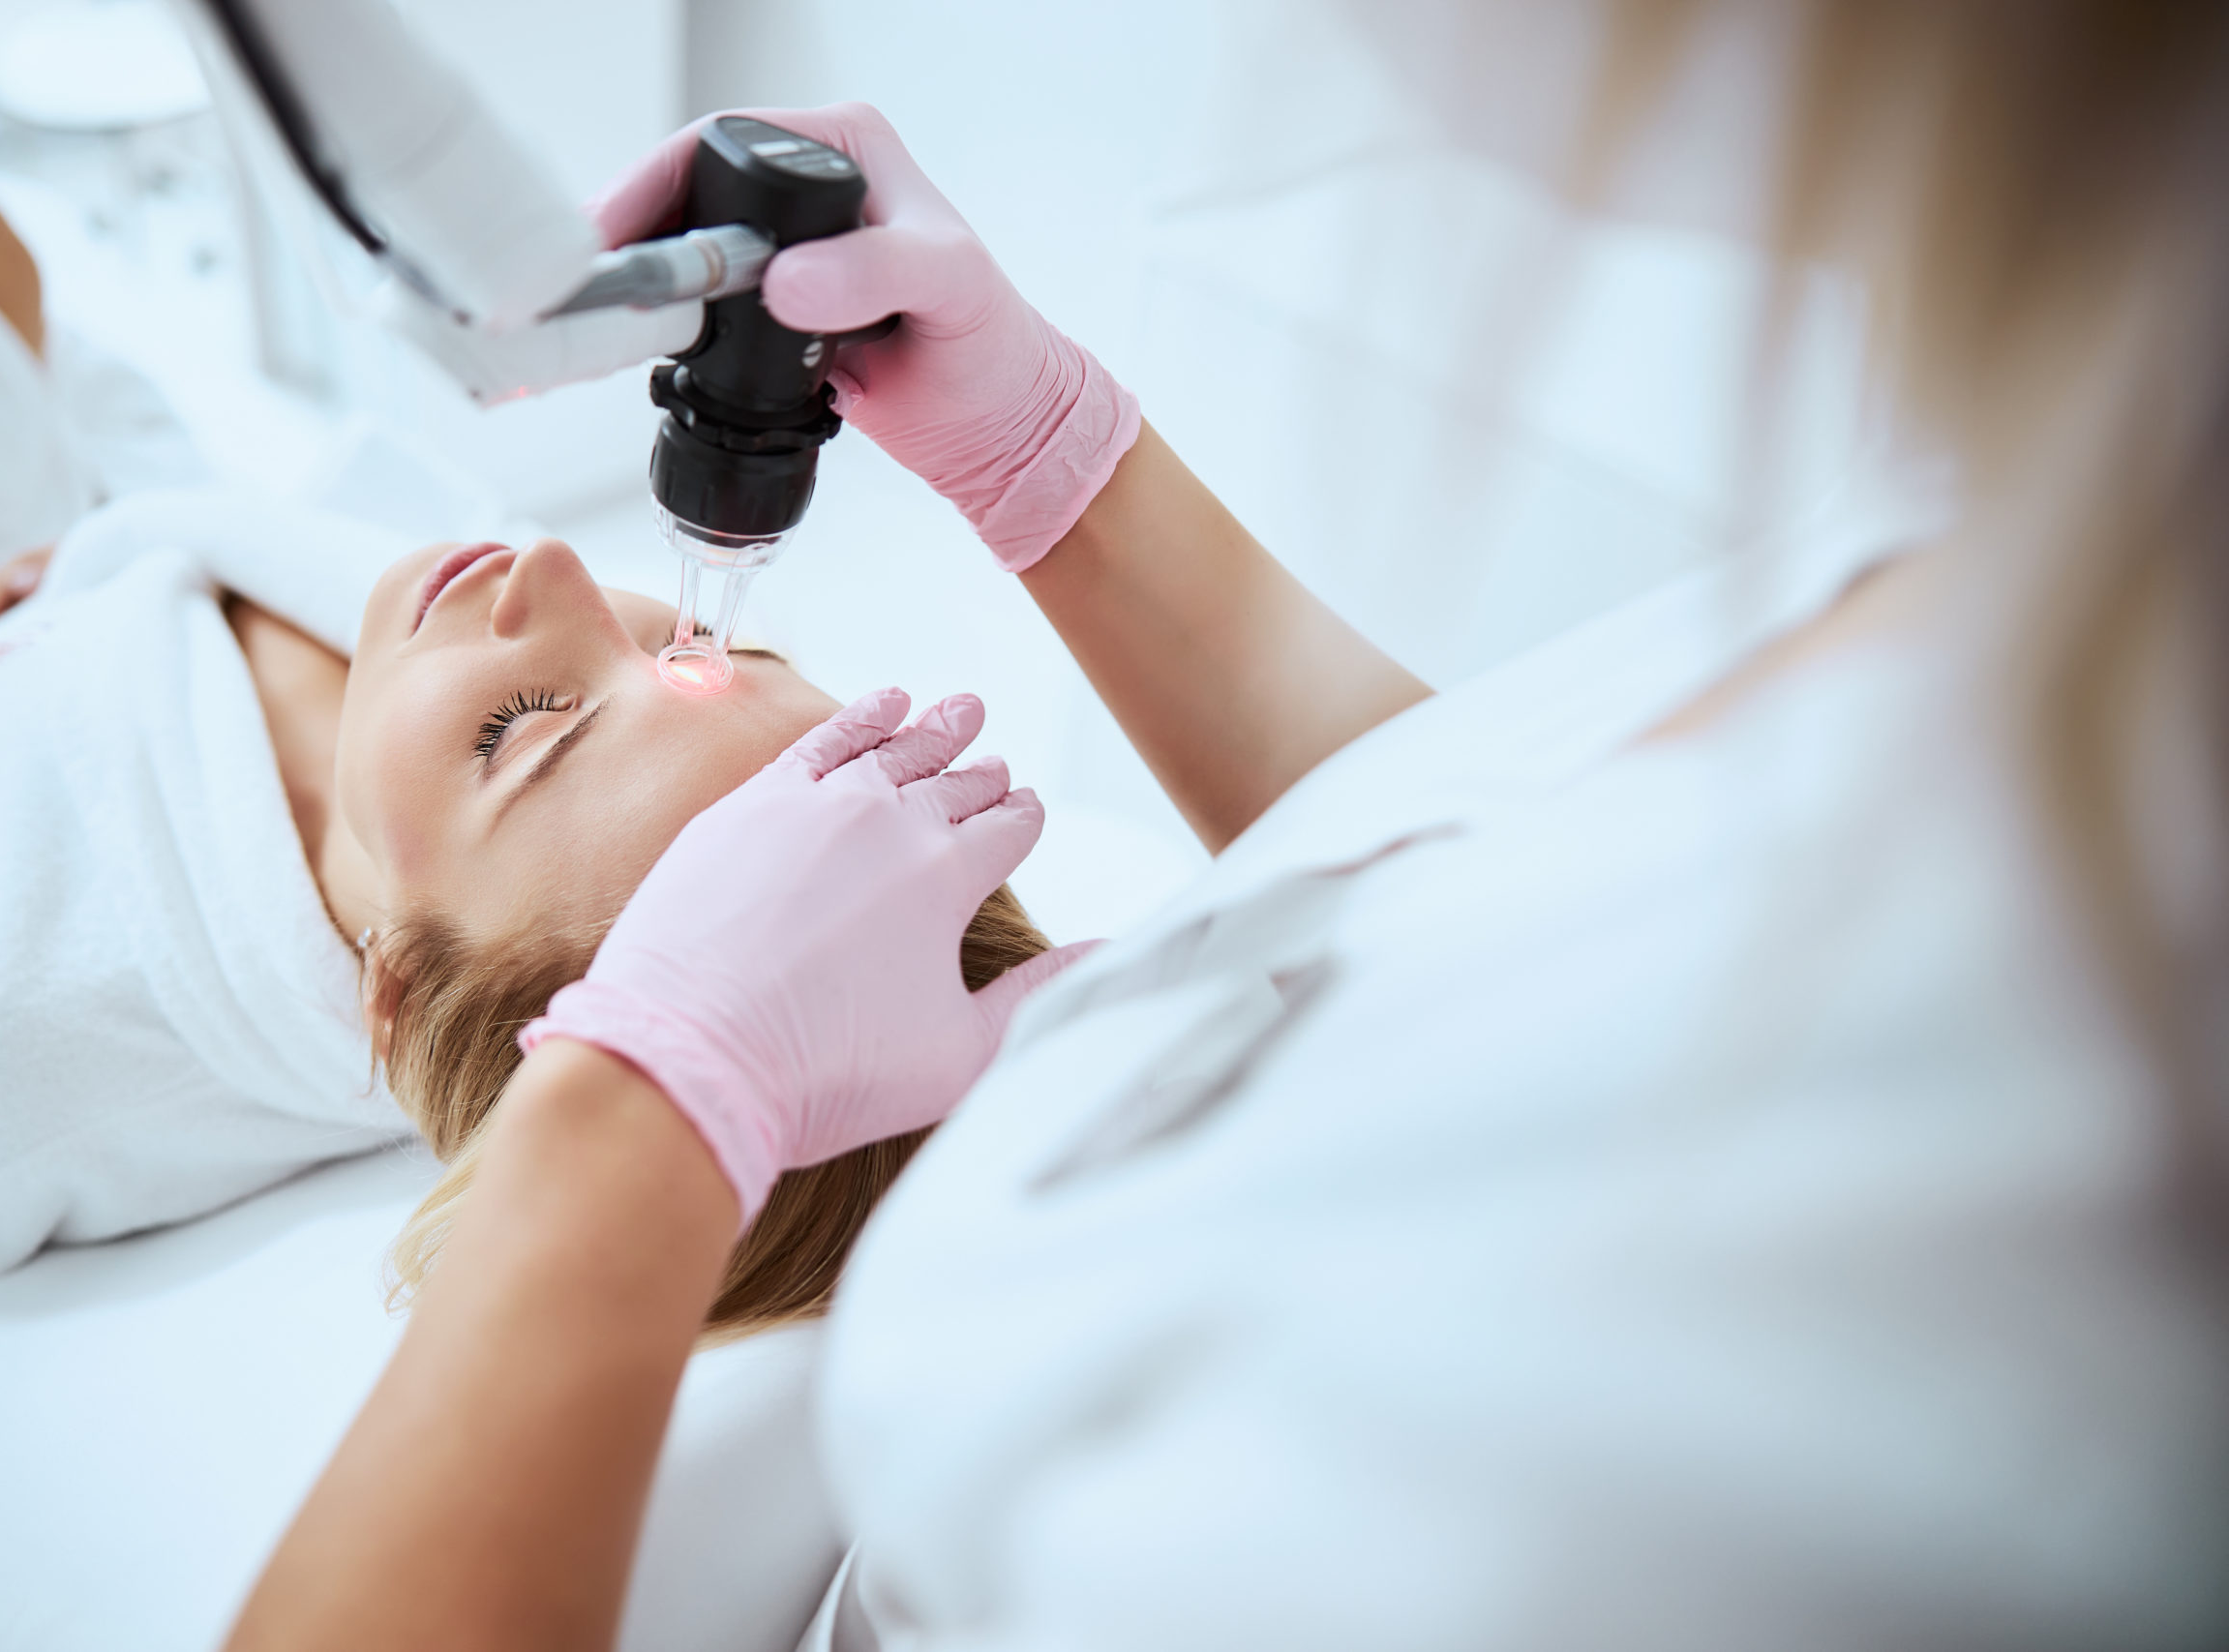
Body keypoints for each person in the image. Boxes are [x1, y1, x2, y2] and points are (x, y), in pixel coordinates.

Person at [231, 4, 2229, 1648]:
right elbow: (1516, 891)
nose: (569, 586)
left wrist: (644, 1096)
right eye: (533, 724)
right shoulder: (2065, 530)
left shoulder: (1477, 1475)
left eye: (638, 661)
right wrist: (1054, 466)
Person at [0, 192, 1066, 1335]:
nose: (548, 570)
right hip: (75, 555)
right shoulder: (520, 807)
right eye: (718, 655)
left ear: (390, 991)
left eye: (526, 730)